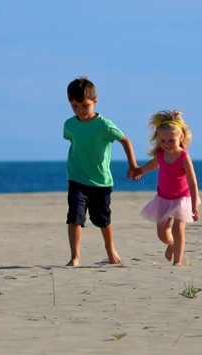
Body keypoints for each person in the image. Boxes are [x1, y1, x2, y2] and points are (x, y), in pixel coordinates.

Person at [63, 76, 139, 267]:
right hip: (76, 178)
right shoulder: (69, 125)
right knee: (74, 217)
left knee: (102, 219)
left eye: (85, 106)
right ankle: (75, 257)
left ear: (95, 102)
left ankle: (110, 249)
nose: (80, 111)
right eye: (75, 106)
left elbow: (125, 140)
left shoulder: (104, 125)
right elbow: (73, 142)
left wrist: (132, 165)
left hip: (101, 181)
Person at [132, 110, 200, 266]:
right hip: (163, 198)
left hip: (182, 198)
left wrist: (194, 206)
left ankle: (177, 261)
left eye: (171, 140)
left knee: (178, 229)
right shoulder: (161, 155)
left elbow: (193, 183)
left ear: (181, 137)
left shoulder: (183, 156)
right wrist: (140, 170)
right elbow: (153, 164)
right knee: (162, 234)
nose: (167, 144)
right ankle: (171, 244)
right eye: (163, 141)